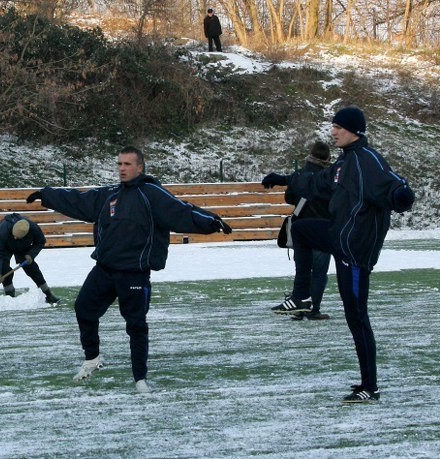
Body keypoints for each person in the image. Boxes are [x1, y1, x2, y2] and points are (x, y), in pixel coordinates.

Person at [26, 146, 233, 393]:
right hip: (104, 269)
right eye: (119, 164)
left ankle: (140, 379)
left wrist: (212, 221)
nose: (122, 168)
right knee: (84, 308)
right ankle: (92, 359)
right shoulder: (109, 194)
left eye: (127, 164)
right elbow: (79, 200)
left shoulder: (151, 194)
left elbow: (181, 211)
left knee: (135, 325)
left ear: (139, 167)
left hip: (134, 273)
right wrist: (46, 195)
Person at [262, 106, 415, 403]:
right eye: (333, 126)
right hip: (339, 236)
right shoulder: (345, 163)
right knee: (301, 229)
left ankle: (369, 387)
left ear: (354, 130)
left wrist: (402, 196)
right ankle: (303, 297)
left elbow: (394, 186)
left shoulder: (368, 162)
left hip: (355, 251)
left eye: (338, 127)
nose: (333, 132)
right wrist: (285, 179)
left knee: (357, 317)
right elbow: (316, 182)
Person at [271, 141, 333, 321]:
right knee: (320, 272)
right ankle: (314, 309)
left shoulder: (300, 175)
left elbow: (289, 197)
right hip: (322, 228)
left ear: (310, 155)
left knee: (303, 270)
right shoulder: (328, 177)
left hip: (301, 228)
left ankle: (299, 306)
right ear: (328, 159)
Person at [0, 213, 59, 304]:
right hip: (5, 247)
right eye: (14, 235)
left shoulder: (33, 228)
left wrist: (31, 254)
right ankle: (10, 297)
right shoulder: (1, 230)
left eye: (17, 237)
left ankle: (48, 294)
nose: (15, 237)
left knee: (33, 269)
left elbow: (40, 242)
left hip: (23, 247)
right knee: (4, 270)